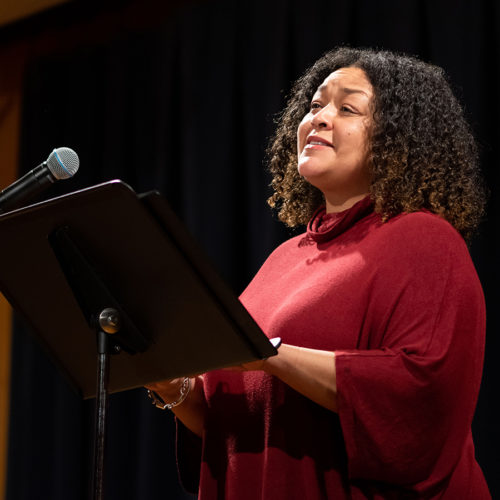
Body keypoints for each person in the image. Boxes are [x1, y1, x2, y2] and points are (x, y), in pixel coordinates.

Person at [146, 47, 490, 499]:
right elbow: (231, 422)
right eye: (314, 106)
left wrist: (271, 355)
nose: (319, 118)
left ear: (400, 138)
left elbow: (420, 395)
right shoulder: (285, 258)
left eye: (347, 108)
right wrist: (171, 384)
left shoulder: (424, 238)